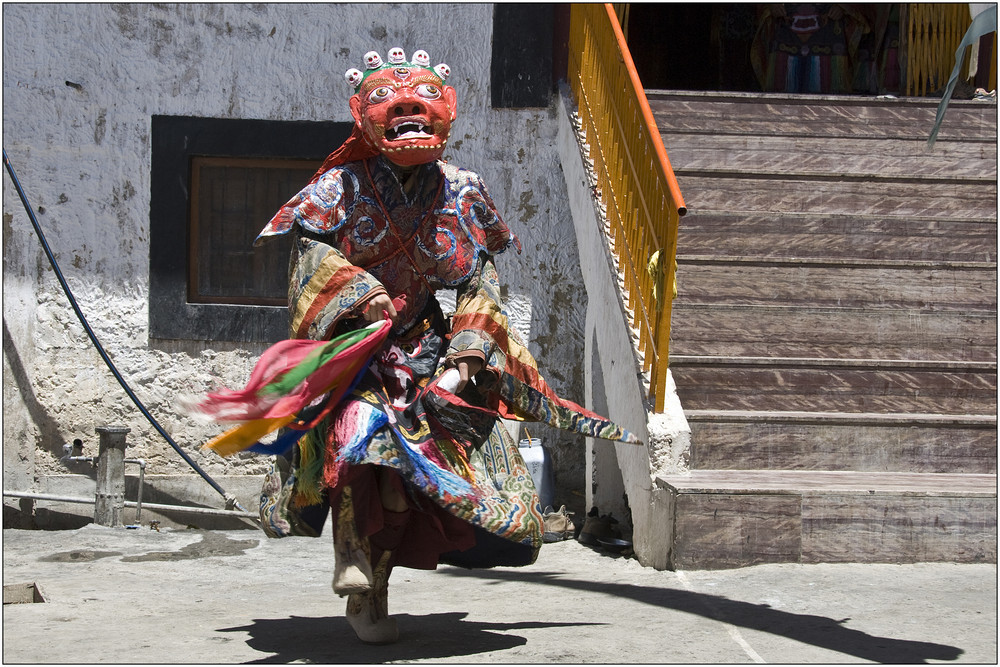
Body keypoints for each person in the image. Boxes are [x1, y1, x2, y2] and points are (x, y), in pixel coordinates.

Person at [197, 47, 639, 645]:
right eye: (388, 101)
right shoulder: (339, 188)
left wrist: (466, 355)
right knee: (361, 444)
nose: (407, 111)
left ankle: (373, 587)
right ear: (363, 115)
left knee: (411, 476)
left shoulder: (462, 191)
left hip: (431, 354)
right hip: (359, 352)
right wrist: (360, 292)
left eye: (423, 101)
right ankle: (350, 557)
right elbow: (310, 256)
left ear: (447, 113)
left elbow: (480, 279)